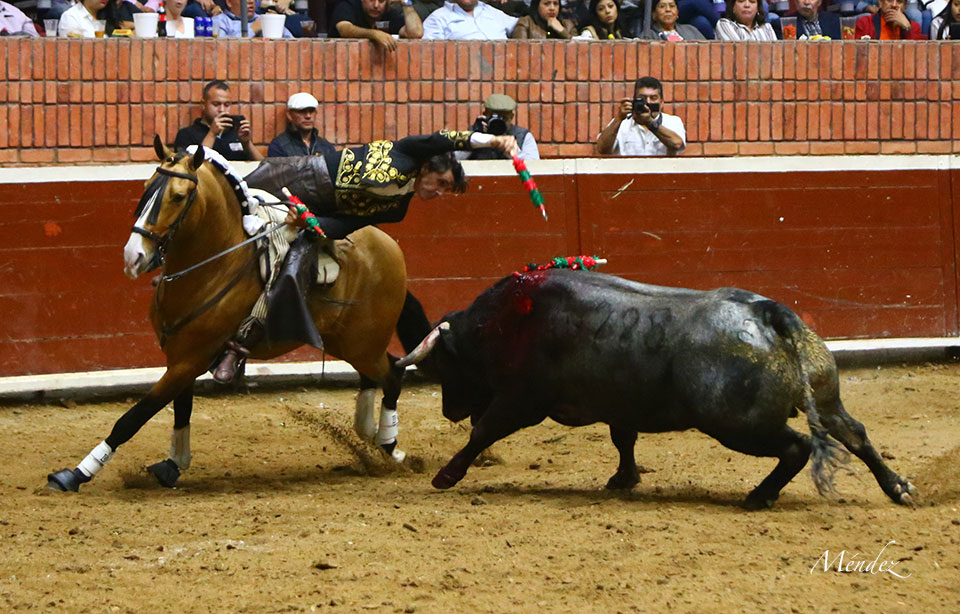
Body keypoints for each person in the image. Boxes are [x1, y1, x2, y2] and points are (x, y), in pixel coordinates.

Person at [211, 130, 521, 383]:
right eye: (441, 183)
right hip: (299, 175)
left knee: (290, 270)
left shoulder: (397, 208)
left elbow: (345, 223)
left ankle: (238, 346)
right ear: (427, 167)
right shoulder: (408, 151)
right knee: (225, 221)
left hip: (316, 212)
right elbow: (446, 138)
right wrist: (492, 140)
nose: (439, 192)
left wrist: (310, 223)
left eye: (446, 190)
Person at [174, 80, 264, 162]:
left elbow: (262, 167)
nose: (222, 109)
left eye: (226, 105)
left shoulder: (237, 130)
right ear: (203, 104)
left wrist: (247, 144)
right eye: (216, 104)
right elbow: (190, 167)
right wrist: (212, 134)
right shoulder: (187, 134)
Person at [595, 76, 686, 157]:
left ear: (662, 102)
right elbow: (602, 149)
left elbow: (677, 144)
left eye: (653, 98)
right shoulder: (622, 123)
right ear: (634, 100)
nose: (648, 102)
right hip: (629, 175)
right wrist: (619, 118)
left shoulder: (672, 122)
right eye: (642, 98)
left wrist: (650, 123)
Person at [461, 94, 540, 160]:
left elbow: (534, 166)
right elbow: (455, 160)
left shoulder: (523, 136)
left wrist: (511, 149)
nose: (499, 123)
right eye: (494, 118)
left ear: (511, 117)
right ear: (485, 114)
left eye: (504, 118)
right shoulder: (475, 134)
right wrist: (474, 137)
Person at [267, 92, 337, 158]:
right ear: (289, 115)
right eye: (302, 111)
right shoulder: (279, 146)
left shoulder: (326, 147)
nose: (308, 116)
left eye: (311, 111)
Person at [331, 0, 423, 49]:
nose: (376, 5)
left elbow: (415, 33)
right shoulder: (348, 5)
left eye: (381, 1)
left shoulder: (389, 12)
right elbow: (344, 29)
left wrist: (405, 2)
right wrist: (374, 34)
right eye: (371, 0)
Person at [421, 0, 518, 39]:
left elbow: (519, 25)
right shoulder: (438, 18)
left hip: (504, 71)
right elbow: (429, 53)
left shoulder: (491, 12)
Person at [213, 0, 294, 37]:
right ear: (229, 2)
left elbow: (292, 43)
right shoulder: (219, 21)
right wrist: (253, 29)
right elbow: (222, 48)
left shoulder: (265, 19)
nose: (251, 1)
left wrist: (278, 26)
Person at [635, 0, 707, 39]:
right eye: (662, 6)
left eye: (672, 6)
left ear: (677, 12)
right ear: (654, 14)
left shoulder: (691, 30)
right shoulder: (648, 36)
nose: (668, 10)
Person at [773, 0, 841, 38]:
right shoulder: (782, 24)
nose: (806, 2)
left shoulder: (835, 21)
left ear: (819, 2)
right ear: (795, 2)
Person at [853, 0, 923, 38]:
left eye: (899, 1)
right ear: (880, 2)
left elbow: (915, 55)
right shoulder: (865, 23)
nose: (894, 5)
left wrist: (907, 28)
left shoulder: (914, 27)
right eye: (889, 0)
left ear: (905, 6)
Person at [510, 0, 578, 38]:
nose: (552, 8)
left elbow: (579, 51)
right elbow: (520, 52)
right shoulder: (526, 23)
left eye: (556, 4)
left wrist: (562, 31)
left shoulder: (568, 25)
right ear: (537, 6)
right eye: (546, 4)